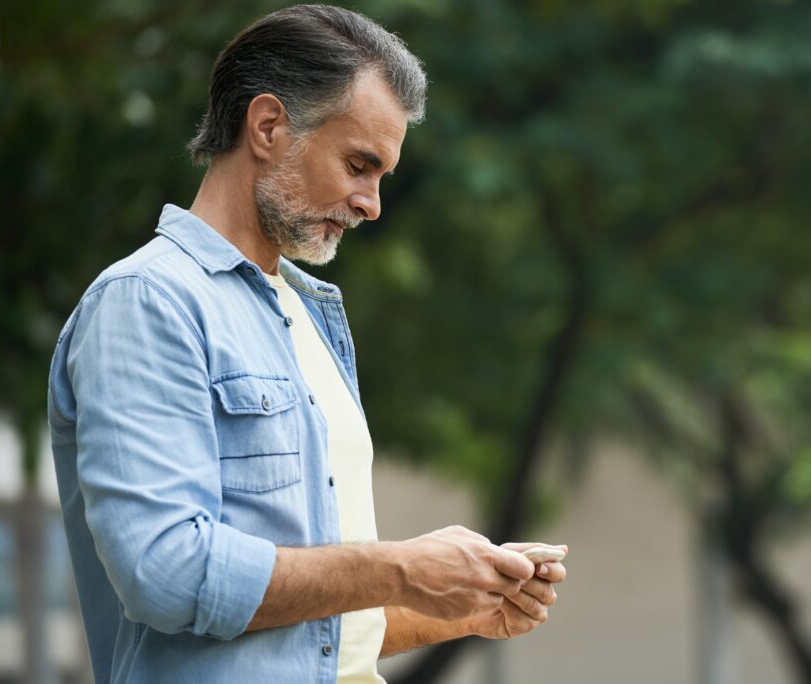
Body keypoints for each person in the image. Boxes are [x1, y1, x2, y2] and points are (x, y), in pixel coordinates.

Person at [46, 5, 568, 683]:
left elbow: (315, 637)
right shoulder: (148, 302)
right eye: (360, 164)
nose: (372, 204)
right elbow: (164, 572)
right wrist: (401, 567)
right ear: (267, 126)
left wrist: (460, 607)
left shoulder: (310, 313)